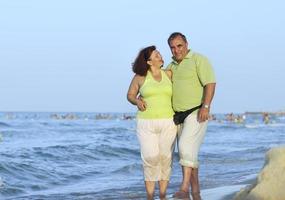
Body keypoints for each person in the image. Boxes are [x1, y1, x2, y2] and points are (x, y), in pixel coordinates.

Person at [166, 32, 216, 200]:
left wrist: (206, 106)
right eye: (172, 47)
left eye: (179, 46)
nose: (176, 50)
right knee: (189, 154)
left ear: (186, 44)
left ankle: (184, 188)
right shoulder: (171, 66)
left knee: (186, 148)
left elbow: (210, 83)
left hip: (196, 111)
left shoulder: (198, 59)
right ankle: (196, 192)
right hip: (178, 116)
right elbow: (158, 82)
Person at [127, 45, 177, 200]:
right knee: (150, 158)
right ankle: (150, 196)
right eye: (156, 55)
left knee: (165, 158)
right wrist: (136, 101)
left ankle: (162, 196)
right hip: (146, 123)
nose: (160, 56)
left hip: (169, 122)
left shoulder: (169, 74)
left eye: (159, 54)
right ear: (149, 61)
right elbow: (129, 95)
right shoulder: (140, 77)